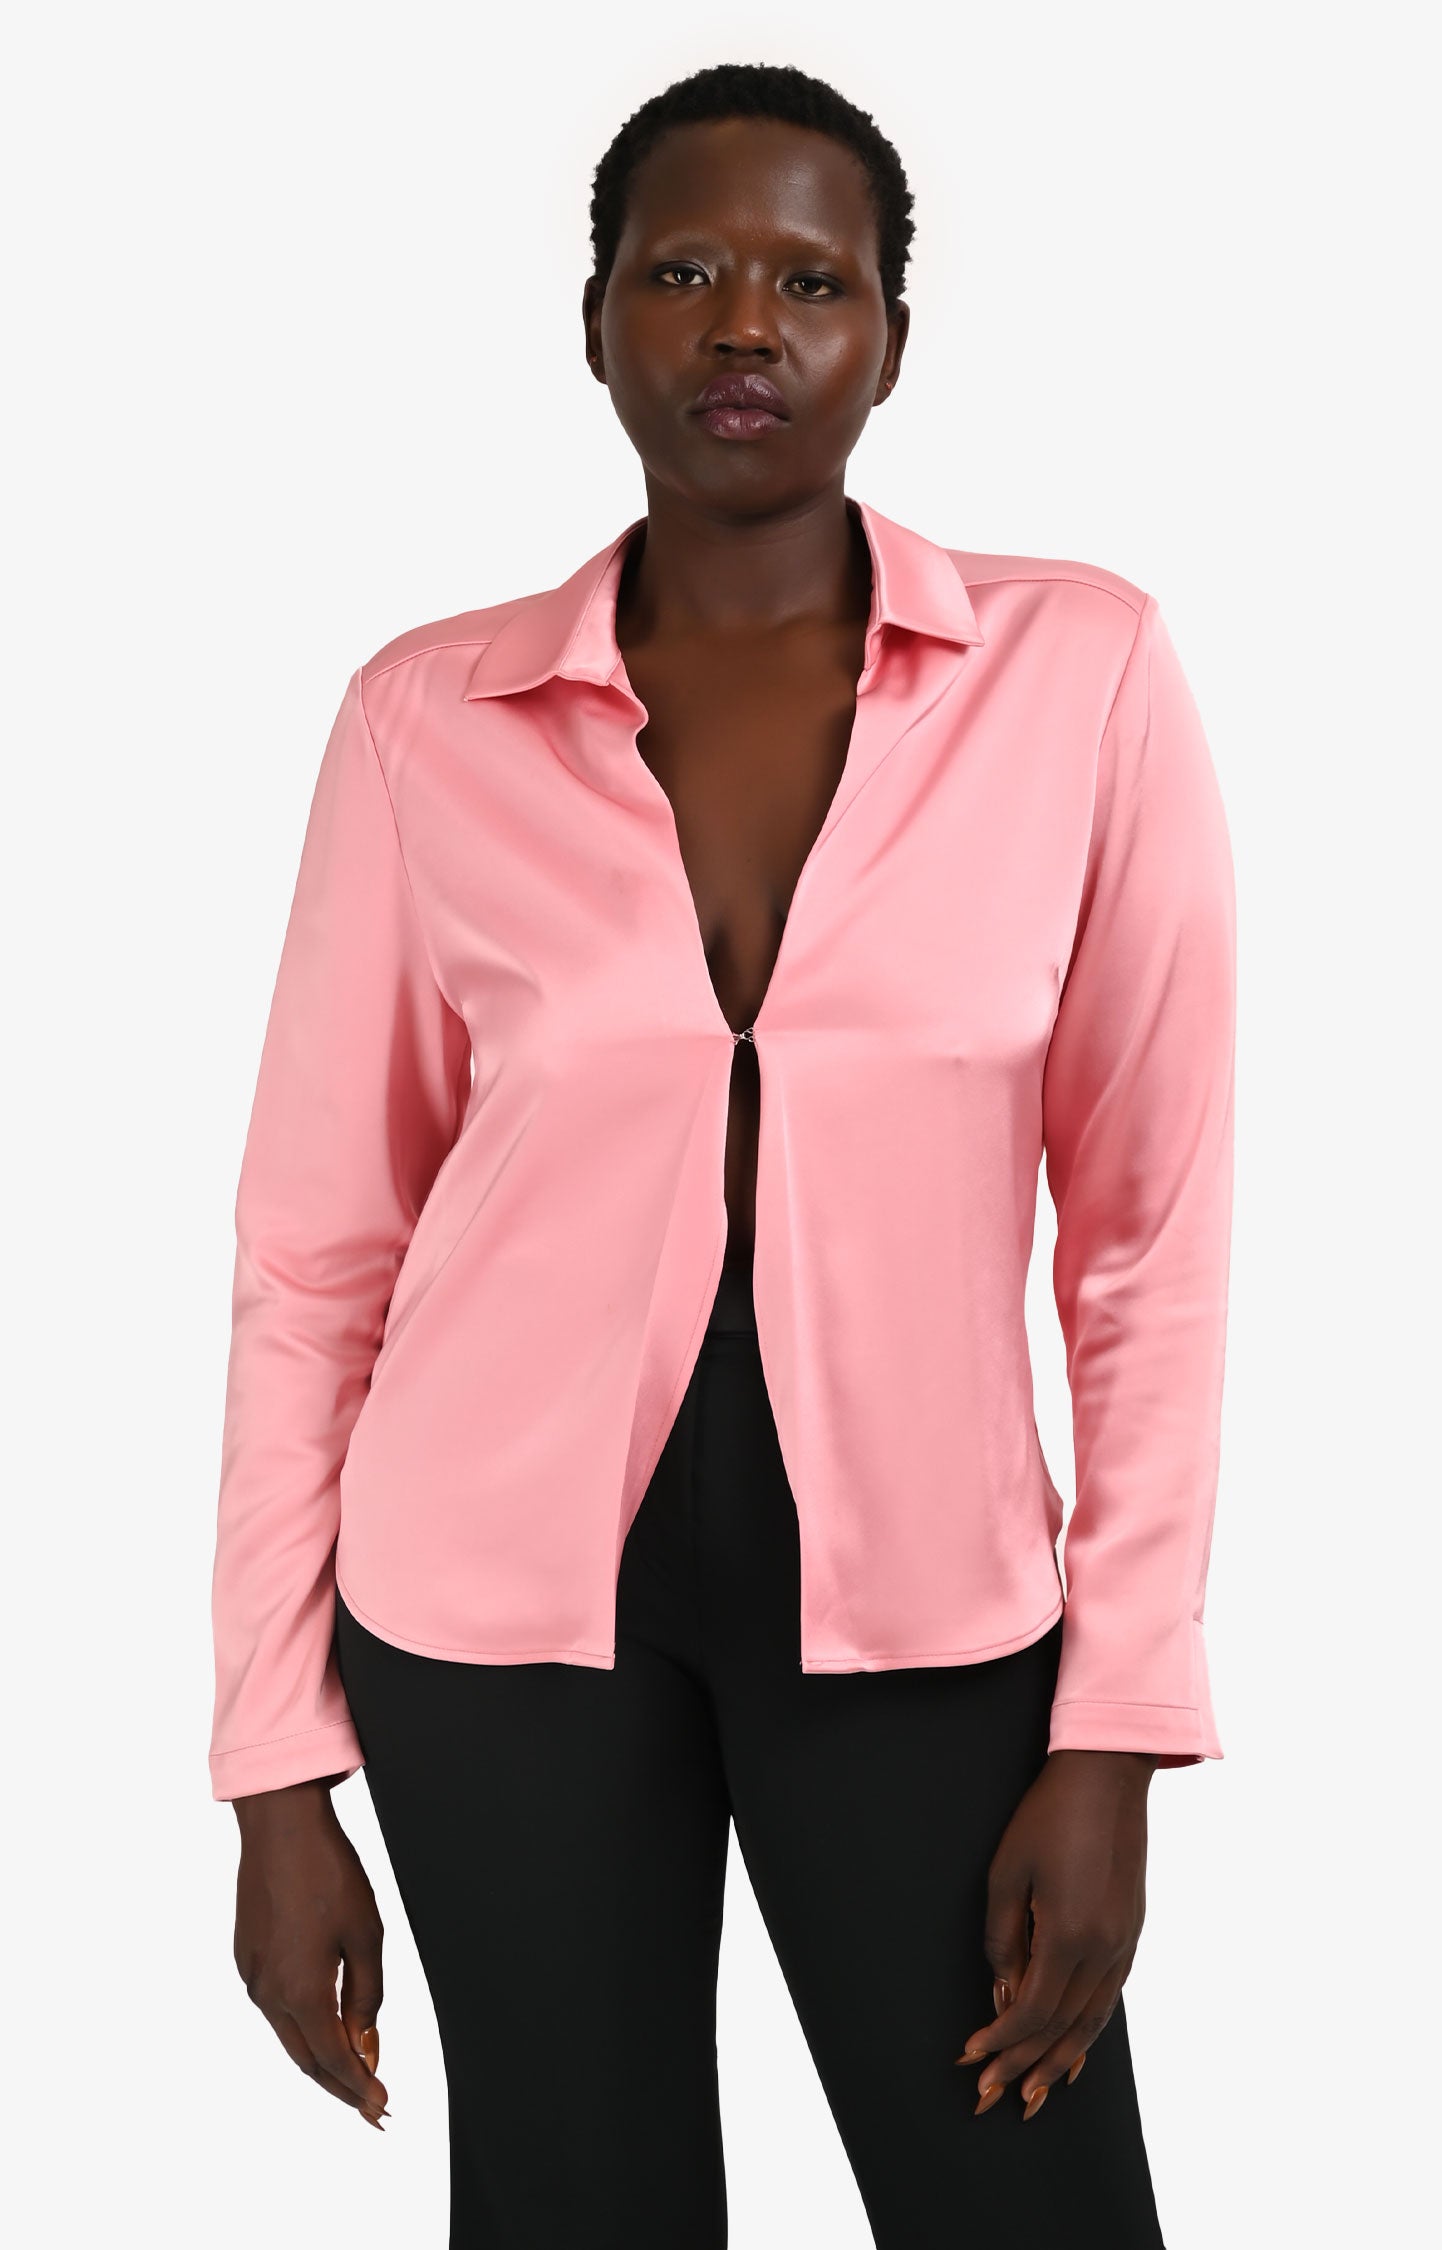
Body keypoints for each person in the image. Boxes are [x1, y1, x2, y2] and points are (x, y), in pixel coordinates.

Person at [210, 61, 1236, 2250]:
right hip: (490, 1615)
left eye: (808, 280)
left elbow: (1149, 1238)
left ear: (890, 337)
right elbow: (315, 1254)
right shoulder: (425, 720)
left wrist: (1118, 1725)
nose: (744, 323)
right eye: (681, 272)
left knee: (1029, 2206)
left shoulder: (1079, 674)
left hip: (927, 1604)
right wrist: (272, 1764)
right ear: (595, 325)